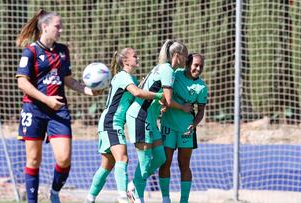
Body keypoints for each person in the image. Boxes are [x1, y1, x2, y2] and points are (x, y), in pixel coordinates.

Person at [15, 9, 99, 203]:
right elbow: (22, 83)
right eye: (57, 26)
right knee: (33, 160)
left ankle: (54, 192)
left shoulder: (63, 51)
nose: (61, 30)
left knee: (64, 159)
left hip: (58, 111)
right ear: (45, 27)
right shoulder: (31, 51)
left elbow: (68, 80)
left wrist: (88, 90)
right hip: (34, 110)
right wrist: (46, 100)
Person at [84, 48, 163, 203]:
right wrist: (161, 95)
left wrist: (158, 102)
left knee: (106, 166)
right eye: (135, 56)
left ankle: (89, 199)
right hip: (111, 123)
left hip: (113, 124)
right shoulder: (122, 76)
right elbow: (138, 94)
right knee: (123, 159)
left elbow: (137, 101)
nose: (138, 57)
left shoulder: (131, 79)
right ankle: (123, 198)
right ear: (125, 61)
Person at [126, 40, 192, 203]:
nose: (187, 59)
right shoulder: (167, 70)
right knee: (146, 161)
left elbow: (159, 96)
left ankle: (134, 184)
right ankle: (136, 196)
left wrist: (160, 104)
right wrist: (183, 107)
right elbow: (168, 100)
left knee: (161, 158)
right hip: (140, 116)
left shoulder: (164, 68)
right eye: (185, 55)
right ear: (177, 55)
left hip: (150, 118)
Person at [158, 53, 208, 203]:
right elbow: (164, 93)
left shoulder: (201, 87)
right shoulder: (175, 74)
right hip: (168, 126)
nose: (198, 68)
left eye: (201, 66)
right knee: (165, 162)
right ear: (188, 64)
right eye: (195, 65)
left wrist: (194, 124)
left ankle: (184, 200)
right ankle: (165, 199)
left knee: (184, 165)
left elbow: (201, 112)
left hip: (186, 129)